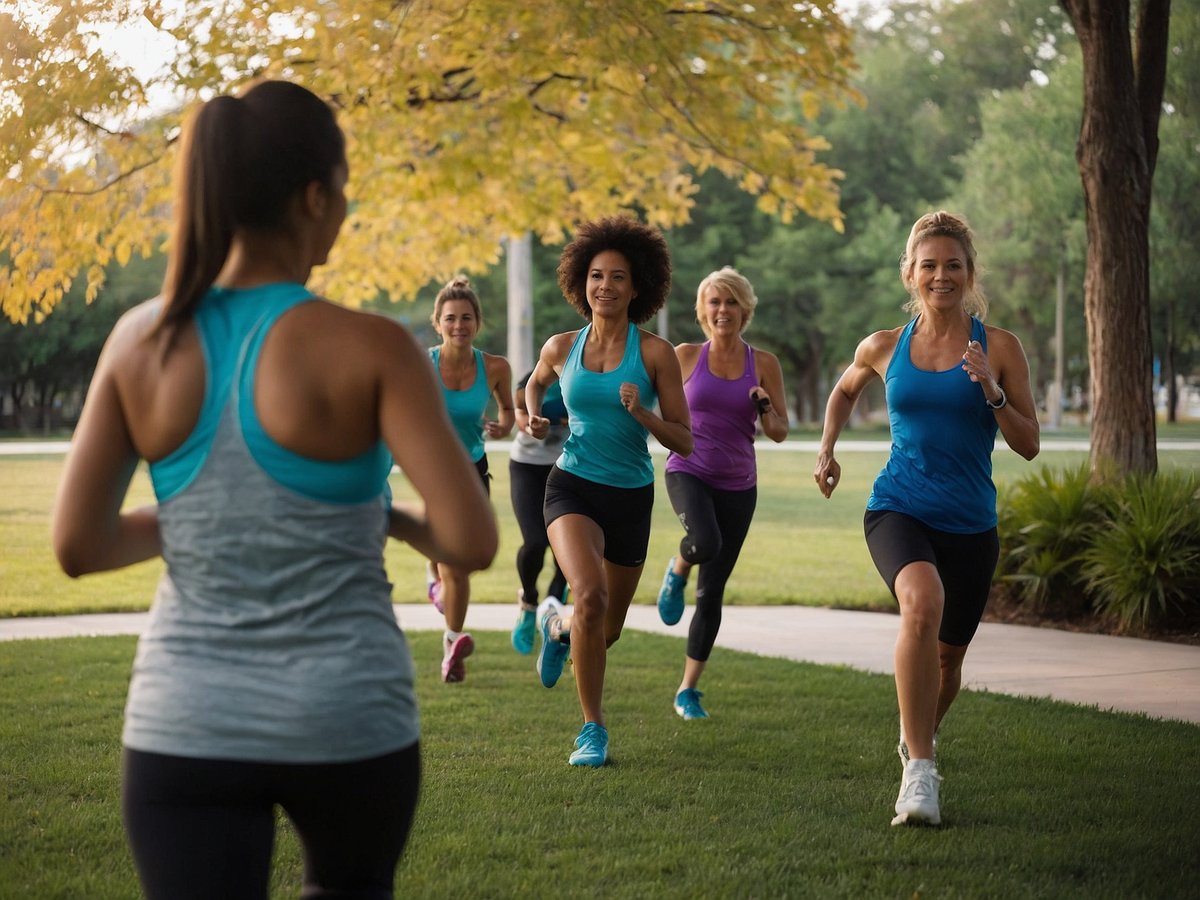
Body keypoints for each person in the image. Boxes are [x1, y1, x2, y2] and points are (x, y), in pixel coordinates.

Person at [51, 80, 498, 899]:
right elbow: (470, 542)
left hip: (185, 722)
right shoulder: (374, 346)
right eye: (346, 188)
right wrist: (383, 515)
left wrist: (197, 516)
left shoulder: (139, 339)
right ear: (314, 197)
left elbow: (79, 547)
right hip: (349, 718)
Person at [813, 211, 1039, 827]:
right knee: (920, 601)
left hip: (970, 523)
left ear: (970, 274)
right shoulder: (885, 345)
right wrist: (827, 448)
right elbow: (844, 389)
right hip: (899, 506)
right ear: (911, 273)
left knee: (947, 664)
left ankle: (918, 739)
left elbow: (1028, 443)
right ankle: (920, 771)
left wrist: (991, 389)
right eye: (929, 265)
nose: (941, 276)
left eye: (954, 265)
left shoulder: (1000, 348)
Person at [524, 215, 693, 767]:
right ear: (582, 282)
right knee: (590, 596)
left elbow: (685, 441)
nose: (606, 286)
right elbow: (536, 382)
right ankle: (592, 730)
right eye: (597, 276)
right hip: (570, 485)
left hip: (630, 496)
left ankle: (557, 627)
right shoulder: (561, 345)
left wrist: (642, 411)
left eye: (618, 277)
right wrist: (530, 417)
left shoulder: (654, 354)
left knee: (606, 628)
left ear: (636, 287)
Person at [656, 267, 789, 721]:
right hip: (687, 469)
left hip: (738, 484)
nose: (723, 310)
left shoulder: (763, 363)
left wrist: (764, 405)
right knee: (703, 545)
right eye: (714, 302)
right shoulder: (685, 356)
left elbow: (779, 432)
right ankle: (677, 568)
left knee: (711, 592)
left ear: (744, 309)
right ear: (702, 310)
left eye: (731, 302)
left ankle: (688, 690)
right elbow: (664, 415)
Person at [426, 276, 514, 682]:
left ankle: (439, 589)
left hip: (474, 472)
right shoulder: (421, 363)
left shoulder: (495, 367)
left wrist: (502, 425)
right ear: (437, 323)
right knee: (454, 564)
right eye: (450, 318)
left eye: (466, 318)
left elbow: (508, 414)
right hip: (434, 473)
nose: (458, 325)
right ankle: (453, 641)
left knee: (463, 561)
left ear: (477, 322)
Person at [508, 369, 569, 654]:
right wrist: (535, 424)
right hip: (528, 466)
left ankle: (554, 604)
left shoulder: (586, 376)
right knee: (535, 541)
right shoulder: (536, 380)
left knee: (568, 548)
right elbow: (521, 414)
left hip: (569, 467)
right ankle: (529, 602)